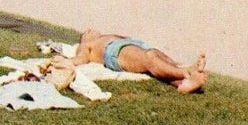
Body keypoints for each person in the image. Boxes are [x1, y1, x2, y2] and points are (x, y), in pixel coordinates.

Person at [72, 29, 206, 94]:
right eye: (86, 32)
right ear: (84, 38)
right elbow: (80, 59)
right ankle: (185, 72)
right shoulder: (87, 43)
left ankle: (183, 84)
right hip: (114, 50)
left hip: (132, 45)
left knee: (159, 58)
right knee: (150, 58)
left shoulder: (104, 36)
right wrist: (61, 61)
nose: (90, 30)